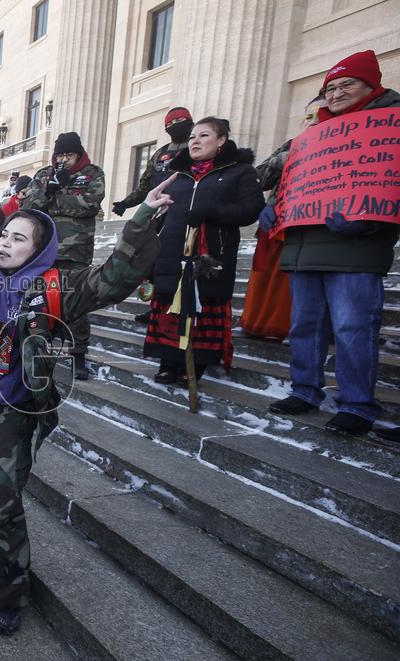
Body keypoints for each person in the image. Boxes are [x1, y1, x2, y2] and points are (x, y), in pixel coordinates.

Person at [0, 179, 172, 635]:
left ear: (39, 249)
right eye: (4, 235)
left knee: (1, 501)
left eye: (18, 238)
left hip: (12, 408)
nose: (5, 243)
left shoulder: (57, 286)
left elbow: (116, 278)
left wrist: (142, 219)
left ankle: (7, 593)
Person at [268, 50, 400, 435]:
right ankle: (305, 390)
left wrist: (371, 222)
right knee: (304, 325)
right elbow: (290, 181)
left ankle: (357, 405)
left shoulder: (389, 127)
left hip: (356, 248)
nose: (337, 93)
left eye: (347, 84)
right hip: (304, 244)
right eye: (331, 87)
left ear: (370, 87)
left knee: (352, 327)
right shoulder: (311, 135)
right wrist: (273, 206)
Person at [142, 117, 265, 384]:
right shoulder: (176, 174)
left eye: (204, 136)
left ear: (221, 141)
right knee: (169, 305)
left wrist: (213, 212)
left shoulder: (240, 172)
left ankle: (195, 365)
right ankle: (168, 361)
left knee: (201, 307)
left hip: (210, 254)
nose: (194, 141)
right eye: (192, 137)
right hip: (172, 250)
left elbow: (251, 209)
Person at [20, 131, 105, 379]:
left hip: (76, 250)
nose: (64, 160)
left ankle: (78, 353)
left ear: (77, 154)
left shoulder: (92, 173)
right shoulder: (44, 175)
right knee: (40, 302)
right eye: (60, 155)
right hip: (44, 251)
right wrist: (50, 189)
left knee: (76, 303)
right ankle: (40, 351)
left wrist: (53, 200)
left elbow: (91, 204)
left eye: (69, 154)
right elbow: (27, 206)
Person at [241, 98, 322, 341]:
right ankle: (254, 323)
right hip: (278, 219)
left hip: (313, 223)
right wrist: (287, 157)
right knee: (265, 275)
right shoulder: (293, 144)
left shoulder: (342, 142)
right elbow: (260, 178)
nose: (314, 121)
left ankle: (292, 327)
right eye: (309, 117)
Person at [112, 107, 194, 216]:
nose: (174, 125)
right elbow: (145, 186)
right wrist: (126, 203)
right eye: (169, 124)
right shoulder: (160, 153)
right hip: (159, 212)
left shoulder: (198, 148)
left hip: (188, 210)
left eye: (179, 120)